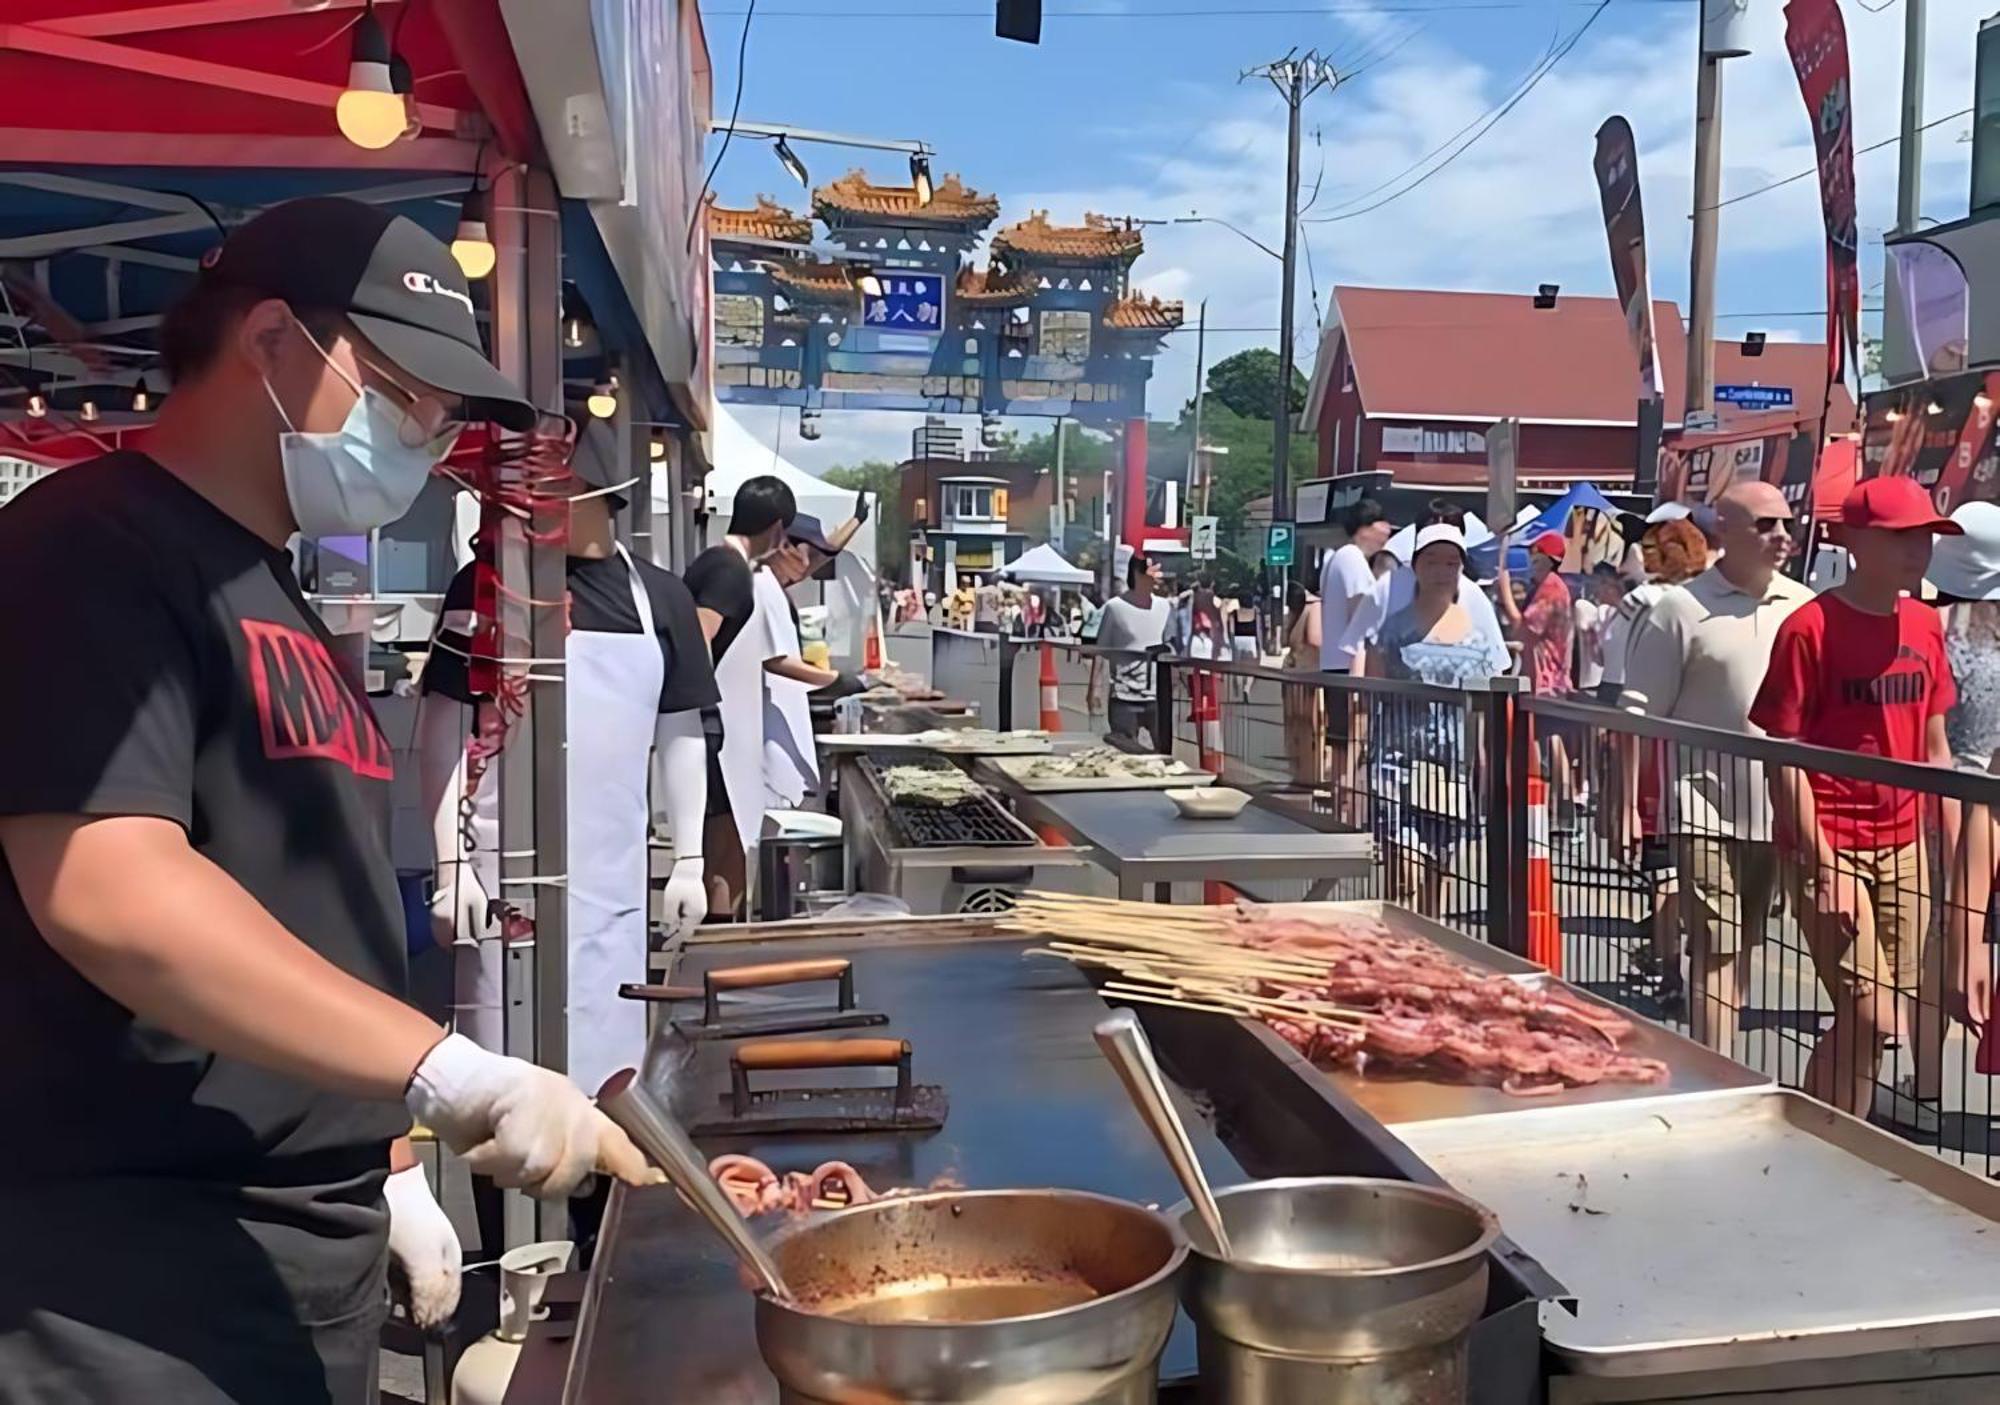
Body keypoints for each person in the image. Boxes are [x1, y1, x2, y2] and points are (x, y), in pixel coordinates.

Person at [0, 198, 649, 1402]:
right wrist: (450, 1073)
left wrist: (389, 1153)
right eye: (407, 390)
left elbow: (303, 906)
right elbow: (108, 884)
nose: (430, 431)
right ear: (270, 343)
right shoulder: (90, 552)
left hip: (296, 1245)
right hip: (131, 1277)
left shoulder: (275, 586)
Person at [417, 430, 715, 1254]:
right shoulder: (481, 589)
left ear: (596, 493)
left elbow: (682, 729)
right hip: (498, 884)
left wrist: (685, 856)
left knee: (607, 1103)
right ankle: (505, 1269)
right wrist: (451, 863)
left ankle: (596, 1280)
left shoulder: (661, 599)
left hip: (610, 895)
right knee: (499, 1100)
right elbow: (442, 729)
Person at [1750, 476, 1960, 1116]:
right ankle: (1822, 1136)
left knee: (1881, 1022)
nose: (1917, 549)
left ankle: (1835, 1137)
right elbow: (1781, 758)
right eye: (1900, 536)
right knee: (1871, 1015)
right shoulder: (1808, 628)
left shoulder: (1926, 624)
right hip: (1830, 841)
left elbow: (1935, 746)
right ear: (1853, 541)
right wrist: (1822, 863)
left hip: (1903, 846)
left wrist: (1948, 856)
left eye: (1925, 535)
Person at [1619, 481, 1811, 1054]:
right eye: (1764, 524)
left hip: (1775, 813)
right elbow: (1638, 712)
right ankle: (1716, 1070)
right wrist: (1628, 804)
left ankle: (1723, 1060)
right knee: (1716, 944)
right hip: (1702, 806)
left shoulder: (1803, 605)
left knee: (1745, 942)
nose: (1781, 536)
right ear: (1723, 531)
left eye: (1785, 523)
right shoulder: (1679, 609)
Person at [1364, 524, 1514, 914]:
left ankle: (1431, 944)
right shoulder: (1393, 629)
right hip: (1396, 763)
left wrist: (1486, 759)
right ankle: (1398, 939)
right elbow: (1371, 688)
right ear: (1416, 566)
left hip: (1450, 768)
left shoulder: (1480, 630)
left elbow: (1490, 697)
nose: (1442, 570)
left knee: (1441, 865)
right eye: (1432, 561)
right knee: (1404, 869)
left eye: (1451, 562)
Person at [686, 474, 796, 919]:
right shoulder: (729, 569)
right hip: (711, 722)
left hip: (707, 719)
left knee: (722, 832)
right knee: (726, 833)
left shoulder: (715, 562)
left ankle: (718, 926)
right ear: (775, 527)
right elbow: (699, 636)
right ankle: (718, 933)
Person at [1925, 502, 2000, 1050]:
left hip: (1936, 794)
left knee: (1933, 941)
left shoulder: (1929, 626)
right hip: (1977, 797)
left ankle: (1924, 1083)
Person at [1091, 552, 1172, 747]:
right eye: (1152, 573)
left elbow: (1172, 647)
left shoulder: (1166, 607)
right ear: (1137, 574)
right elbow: (1101, 652)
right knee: (1125, 754)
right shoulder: (1115, 608)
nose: (1157, 579)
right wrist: (1094, 689)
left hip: (1157, 697)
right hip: (1123, 696)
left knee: (1163, 755)